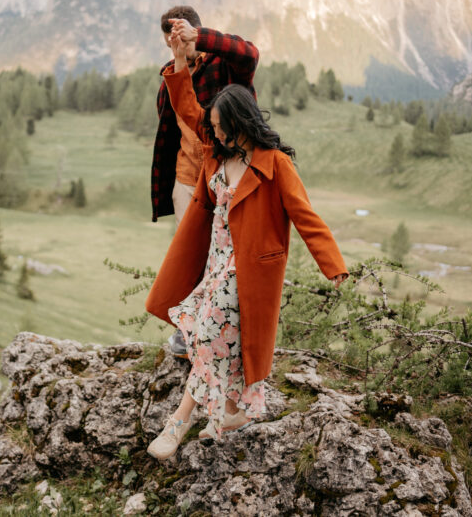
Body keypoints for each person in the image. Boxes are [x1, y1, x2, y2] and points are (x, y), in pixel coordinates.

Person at [144, 30, 347, 460]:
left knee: (208, 330)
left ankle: (178, 422)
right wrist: (181, 60)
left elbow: (305, 216)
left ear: (239, 124)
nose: (212, 136)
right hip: (216, 262)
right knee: (219, 337)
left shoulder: (275, 164)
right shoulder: (218, 153)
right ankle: (233, 411)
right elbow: (186, 107)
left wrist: (334, 266)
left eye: (219, 129)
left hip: (250, 268)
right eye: (211, 130)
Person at [150, 6, 259, 360]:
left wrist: (201, 38)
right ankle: (189, 329)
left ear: (197, 31)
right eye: (173, 38)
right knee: (191, 254)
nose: (179, 41)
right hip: (186, 179)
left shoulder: (225, 64)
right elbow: (181, 120)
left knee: (226, 253)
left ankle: (228, 330)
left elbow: (250, 53)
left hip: (227, 172)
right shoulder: (169, 77)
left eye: (185, 34)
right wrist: (180, 61)